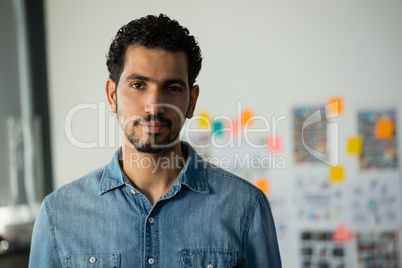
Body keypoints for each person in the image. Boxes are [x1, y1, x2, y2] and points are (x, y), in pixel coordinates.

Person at [29, 14, 281, 267]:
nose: (154, 106)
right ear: (112, 95)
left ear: (191, 101)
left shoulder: (246, 207)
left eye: (172, 88)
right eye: (138, 85)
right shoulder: (58, 213)